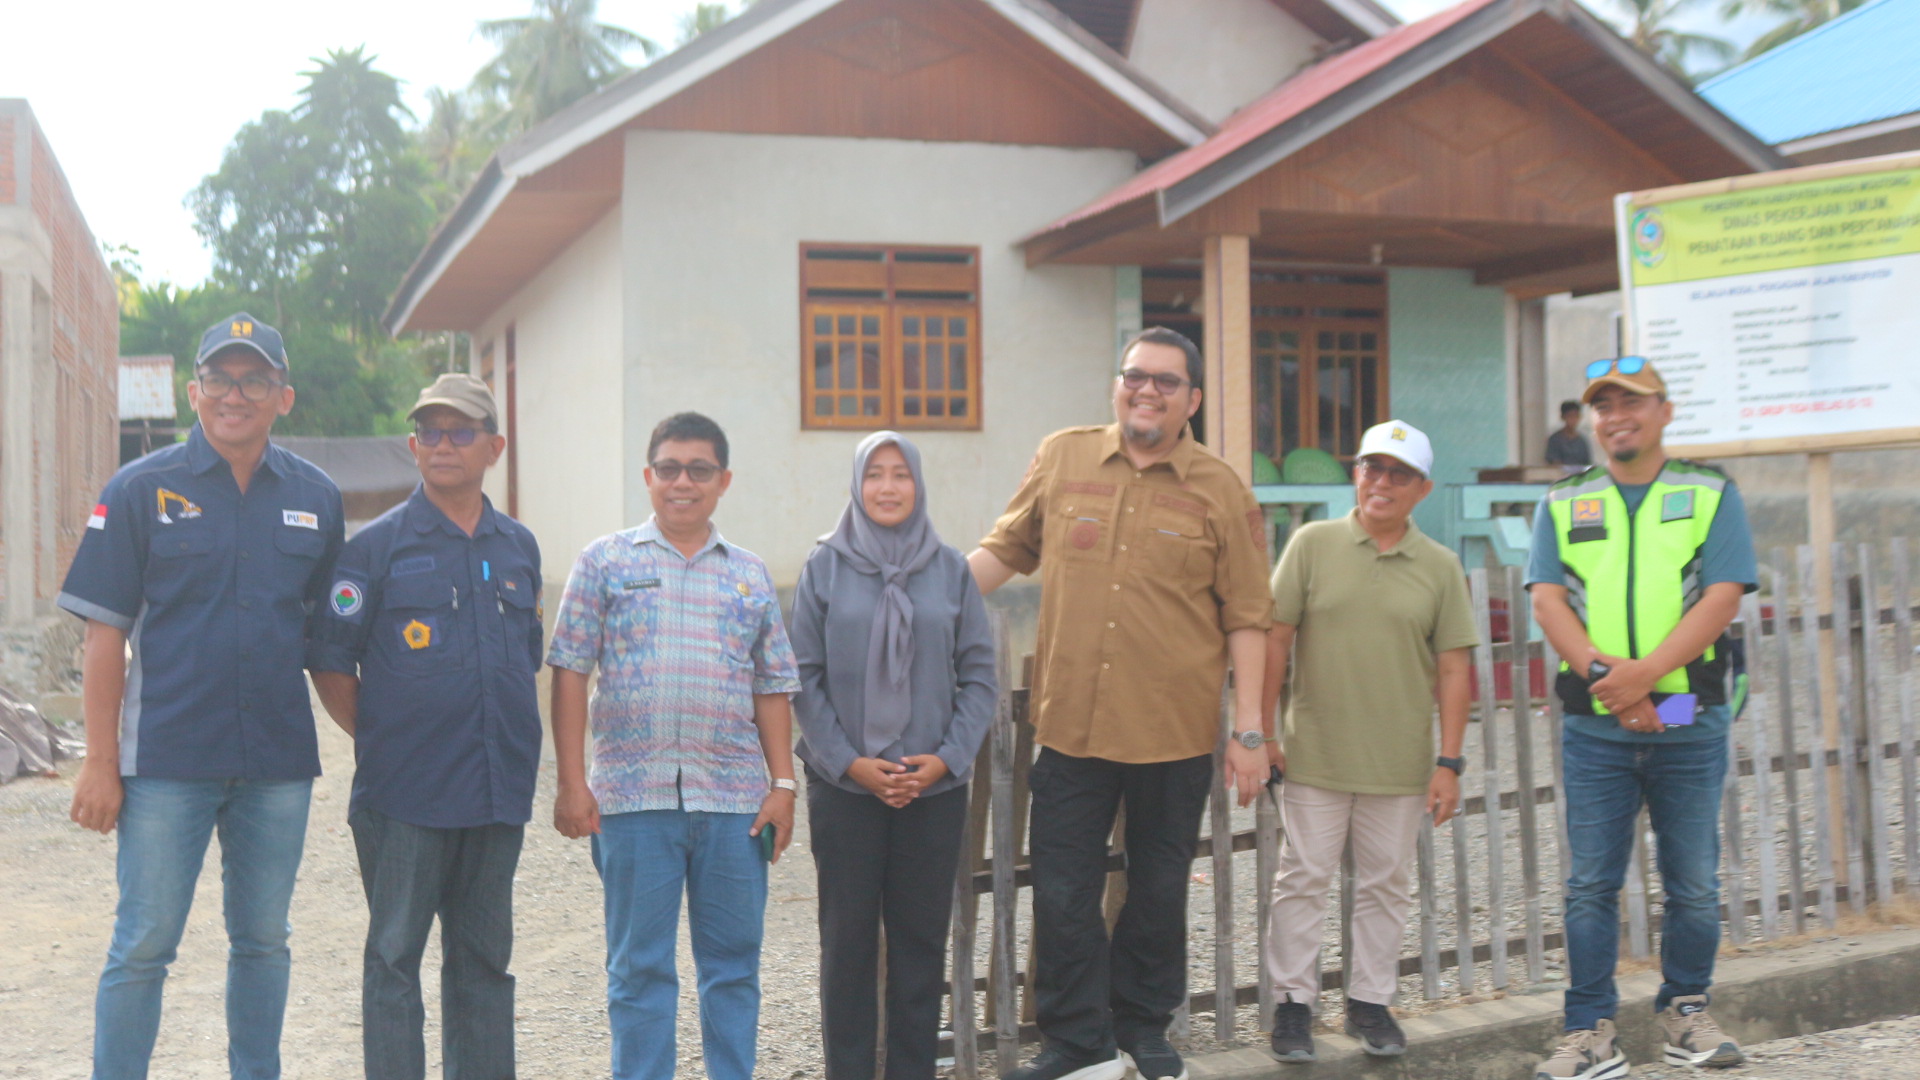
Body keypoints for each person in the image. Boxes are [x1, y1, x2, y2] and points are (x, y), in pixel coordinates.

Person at [968, 327, 1273, 1080]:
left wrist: (1251, 730)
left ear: (1192, 400)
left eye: (1166, 381)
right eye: (1135, 375)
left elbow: (1247, 616)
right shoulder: (1066, 456)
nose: (1147, 390)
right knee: (1065, 891)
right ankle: (1076, 1039)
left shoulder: (1221, 490)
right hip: (1072, 724)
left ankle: (1143, 1026)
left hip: (1172, 732)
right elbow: (1006, 549)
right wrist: (916, 600)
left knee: (1159, 889)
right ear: (1117, 385)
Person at [58, 313, 344, 1079]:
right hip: (166, 764)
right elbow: (102, 636)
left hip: (277, 766)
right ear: (194, 390)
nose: (235, 393)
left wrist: (379, 742)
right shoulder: (140, 489)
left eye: (255, 379)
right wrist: (98, 763)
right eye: (220, 377)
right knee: (144, 944)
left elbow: (329, 648)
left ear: (284, 396)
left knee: (264, 941)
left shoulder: (317, 498)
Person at [545, 411, 801, 1080]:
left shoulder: (748, 576)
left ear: (723, 481)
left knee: (733, 969)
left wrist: (783, 786)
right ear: (648, 476)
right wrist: (573, 782)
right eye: (669, 468)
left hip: (734, 803)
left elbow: (772, 684)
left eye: (699, 470)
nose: (682, 482)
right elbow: (570, 669)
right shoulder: (604, 562)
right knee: (639, 970)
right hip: (632, 799)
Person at [307, 374, 542, 1080]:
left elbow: (523, 658)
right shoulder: (372, 550)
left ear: (493, 446)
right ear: (413, 445)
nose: (442, 444)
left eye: (460, 430)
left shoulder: (519, 547)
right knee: (394, 960)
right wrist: (386, 739)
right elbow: (330, 662)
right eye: (429, 432)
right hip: (404, 796)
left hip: (496, 791)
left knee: (483, 964)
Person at [1526, 358, 1755, 1079]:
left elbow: (1722, 598)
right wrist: (1611, 682)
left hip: (1689, 713)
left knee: (1692, 883)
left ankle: (1686, 1013)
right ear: (1592, 420)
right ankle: (1590, 1032)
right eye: (1604, 406)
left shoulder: (1710, 492)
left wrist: (1646, 684)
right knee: (1590, 884)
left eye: (1632, 402)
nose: (1616, 416)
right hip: (1595, 722)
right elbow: (1547, 600)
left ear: (1664, 410)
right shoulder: (1564, 501)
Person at [1261, 420, 1477, 1063]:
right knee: (1303, 879)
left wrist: (1450, 761)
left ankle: (1370, 1003)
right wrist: (1263, 730)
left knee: (1387, 884)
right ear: (1356, 474)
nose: (1381, 482)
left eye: (1397, 473)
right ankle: (1294, 1007)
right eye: (1370, 468)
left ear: (1423, 488)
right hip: (1314, 755)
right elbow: (1276, 639)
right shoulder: (1311, 544)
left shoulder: (1440, 567)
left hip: (1401, 762)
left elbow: (1454, 669)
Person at [790, 430, 997, 1080]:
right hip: (846, 791)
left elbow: (980, 676)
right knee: (847, 947)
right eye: (874, 474)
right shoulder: (824, 566)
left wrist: (945, 760)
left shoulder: (950, 568)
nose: (887, 487)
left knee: (919, 949)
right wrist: (849, 763)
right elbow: (801, 675)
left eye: (900, 474)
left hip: (930, 792)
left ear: (918, 484)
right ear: (857, 484)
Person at [1546, 400, 1593, 468]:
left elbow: (1587, 463)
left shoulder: (1582, 440)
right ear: (1563, 417)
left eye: (1576, 416)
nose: (1573, 420)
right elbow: (1554, 463)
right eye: (1570, 416)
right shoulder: (1555, 439)